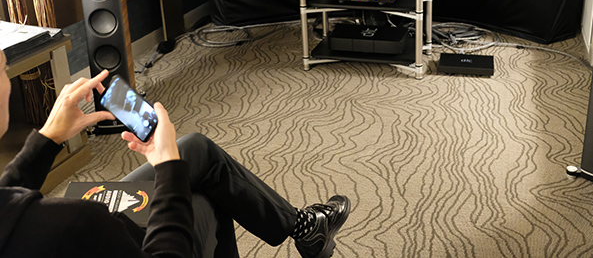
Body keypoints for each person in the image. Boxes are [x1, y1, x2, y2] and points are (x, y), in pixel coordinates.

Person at [0, 49, 351, 258]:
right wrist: (168, 167)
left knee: (196, 149)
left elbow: (7, 200)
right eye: (2, 69)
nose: (8, 78)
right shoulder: (75, 222)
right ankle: (305, 228)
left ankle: (306, 228)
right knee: (205, 194)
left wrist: (47, 138)